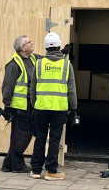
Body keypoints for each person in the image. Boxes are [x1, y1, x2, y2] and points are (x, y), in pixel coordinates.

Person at [29, 32, 78, 181]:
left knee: (40, 139)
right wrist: (74, 108)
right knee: (54, 140)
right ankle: (51, 171)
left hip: (41, 108)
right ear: (59, 46)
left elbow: (33, 88)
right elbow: (71, 89)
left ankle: (36, 170)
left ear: (45, 47)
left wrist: (34, 104)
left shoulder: (39, 64)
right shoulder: (66, 64)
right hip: (59, 109)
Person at [0, 34, 36, 172]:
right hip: (19, 106)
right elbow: (7, 86)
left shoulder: (32, 58)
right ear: (22, 48)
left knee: (21, 135)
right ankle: (17, 165)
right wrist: (7, 106)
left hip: (29, 105)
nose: (32, 43)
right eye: (29, 42)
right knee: (21, 136)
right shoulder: (14, 64)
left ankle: (8, 164)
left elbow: (46, 60)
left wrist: (59, 52)